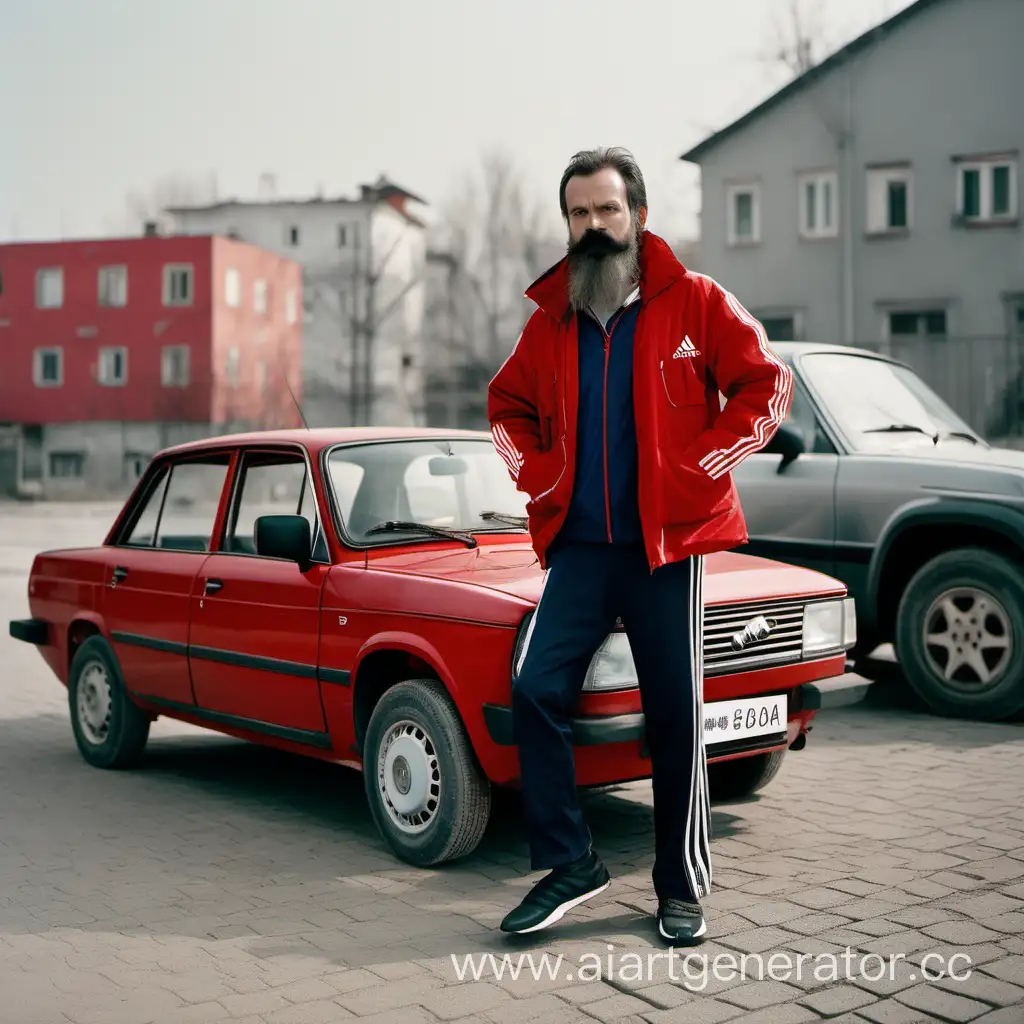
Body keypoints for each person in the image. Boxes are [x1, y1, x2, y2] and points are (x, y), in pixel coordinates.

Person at [487, 147, 793, 944]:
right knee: (534, 688)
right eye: (579, 214)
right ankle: (570, 863)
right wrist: (542, 476)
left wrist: (701, 466)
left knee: (674, 718)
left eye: (607, 210)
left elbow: (768, 385)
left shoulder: (694, 302)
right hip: (581, 550)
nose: (593, 227)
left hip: (668, 549)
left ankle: (680, 885)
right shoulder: (550, 321)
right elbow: (503, 407)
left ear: (639, 216)